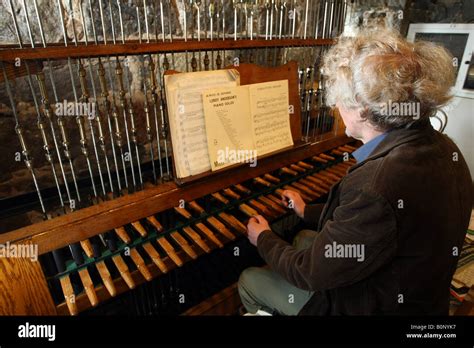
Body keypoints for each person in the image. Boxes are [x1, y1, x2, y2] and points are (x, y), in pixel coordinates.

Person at [238, 29, 473, 315]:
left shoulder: (377, 184)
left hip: (374, 307)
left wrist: (262, 237)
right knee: (303, 239)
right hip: (418, 292)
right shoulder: (444, 146)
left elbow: (308, 272)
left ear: (363, 110)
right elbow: (378, 223)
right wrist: (305, 210)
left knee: (249, 280)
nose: (335, 106)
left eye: (341, 98)